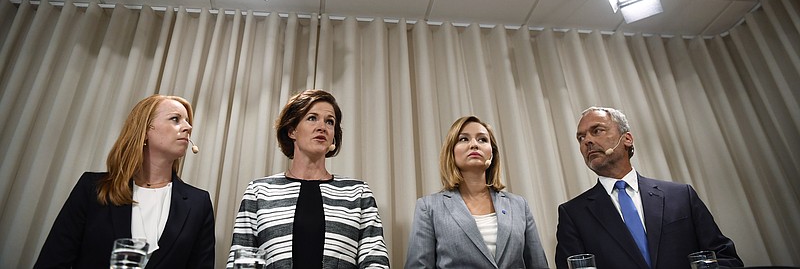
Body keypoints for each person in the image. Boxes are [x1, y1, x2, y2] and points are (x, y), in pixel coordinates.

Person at [34, 94, 215, 268]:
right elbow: (53, 260)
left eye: (188, 121)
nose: (188, 127)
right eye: (175, 119)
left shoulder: (199, 203)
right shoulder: (93, 188)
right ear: (144, 131)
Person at [555, 106, 743, 269]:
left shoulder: (680, 196)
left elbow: (724, 257)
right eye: (580, 138)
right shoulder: (573, 214)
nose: (586, 141)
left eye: (597, 131)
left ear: (627, 139)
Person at [227, 88, 390, 268]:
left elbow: (375, 261)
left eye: (330, 122)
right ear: (292, 131)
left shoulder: (358, 193)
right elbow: (244, 262)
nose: (322, 126)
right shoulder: (259, 192)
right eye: (312, 118)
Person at [405, 115, 550, 269]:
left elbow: (538, 264)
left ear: (492, 153)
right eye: (463, 139)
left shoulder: (519, 205)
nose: (474, 144)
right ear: (451, 152)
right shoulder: (428, 207)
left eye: (482, 140)